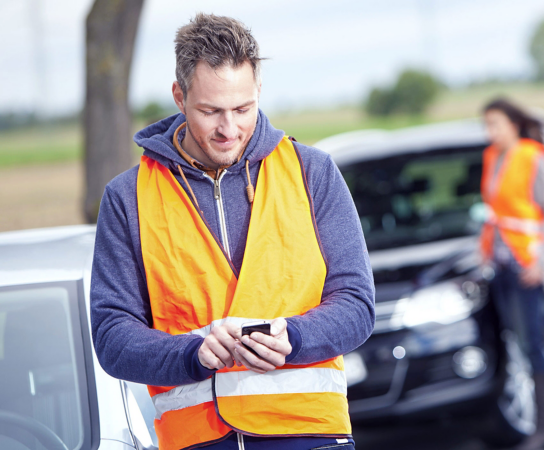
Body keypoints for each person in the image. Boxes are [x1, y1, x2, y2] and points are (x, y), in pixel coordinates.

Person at [90, 13, 375, 450]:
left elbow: (356, 303)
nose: (229, 129)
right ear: (179, 97)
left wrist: (295, 339)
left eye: (243, 109)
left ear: (258, 90)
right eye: (210, 111)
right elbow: (112, 335)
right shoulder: (127, 197)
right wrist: (190, 353)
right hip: (198, 441)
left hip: (310, 435)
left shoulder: (312, 172)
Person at [480, 98, 544, 449]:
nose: (491, 132)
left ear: (514, 124)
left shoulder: (533, 156)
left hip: (527, 265)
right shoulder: (493, 157)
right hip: (501, 265)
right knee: (520, 344)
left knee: (534, 343)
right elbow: (495, 210)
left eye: (496, 125)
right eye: (487, 126)